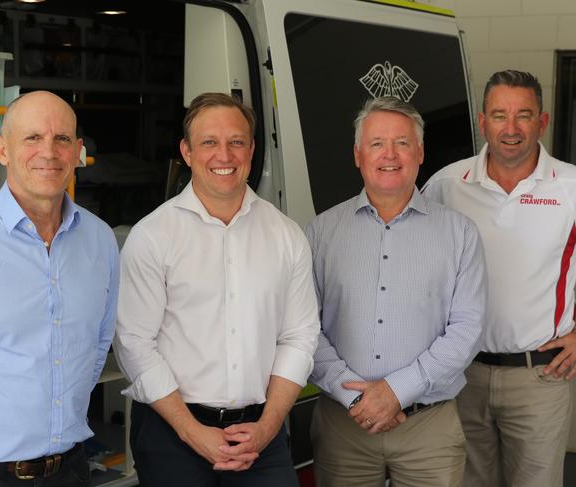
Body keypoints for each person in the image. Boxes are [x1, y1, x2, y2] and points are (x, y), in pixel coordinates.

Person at [115, 92, 319, 487]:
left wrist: (268, 425)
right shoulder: (153, 236)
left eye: (236, 142)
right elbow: (134, 343)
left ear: (252, 150)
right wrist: (193, 432)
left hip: (261, 434)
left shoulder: (286, 236)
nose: (224, 155)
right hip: (172, 433)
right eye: (209, 142)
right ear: (187, 152)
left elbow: (299, 336)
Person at [0, 91, 119, 486]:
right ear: (2, 150)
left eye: (62, 139)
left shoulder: (101, 241)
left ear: (78, 151)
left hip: (69, 470)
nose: (48, 151)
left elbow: (97, 343)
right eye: (32, 138)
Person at [307, 96, 487, 487]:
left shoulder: (460, 234)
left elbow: (467, 329)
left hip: (429, 428)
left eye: (402, 143)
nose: (389, 154)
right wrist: (356, 396)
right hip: (344, 427)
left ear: (420, 152)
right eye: (376, 144)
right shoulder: (321, 231)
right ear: (357, 155)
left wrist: (397, 391)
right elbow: (304, 327)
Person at [423, 69, 576, 487]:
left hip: (540, 378)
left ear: (542, 122)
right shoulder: (446, 185)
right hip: (461, 376)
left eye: (523, 115)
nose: (511, 129)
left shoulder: (571, 187)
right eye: (499, 115)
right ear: (482, 121)